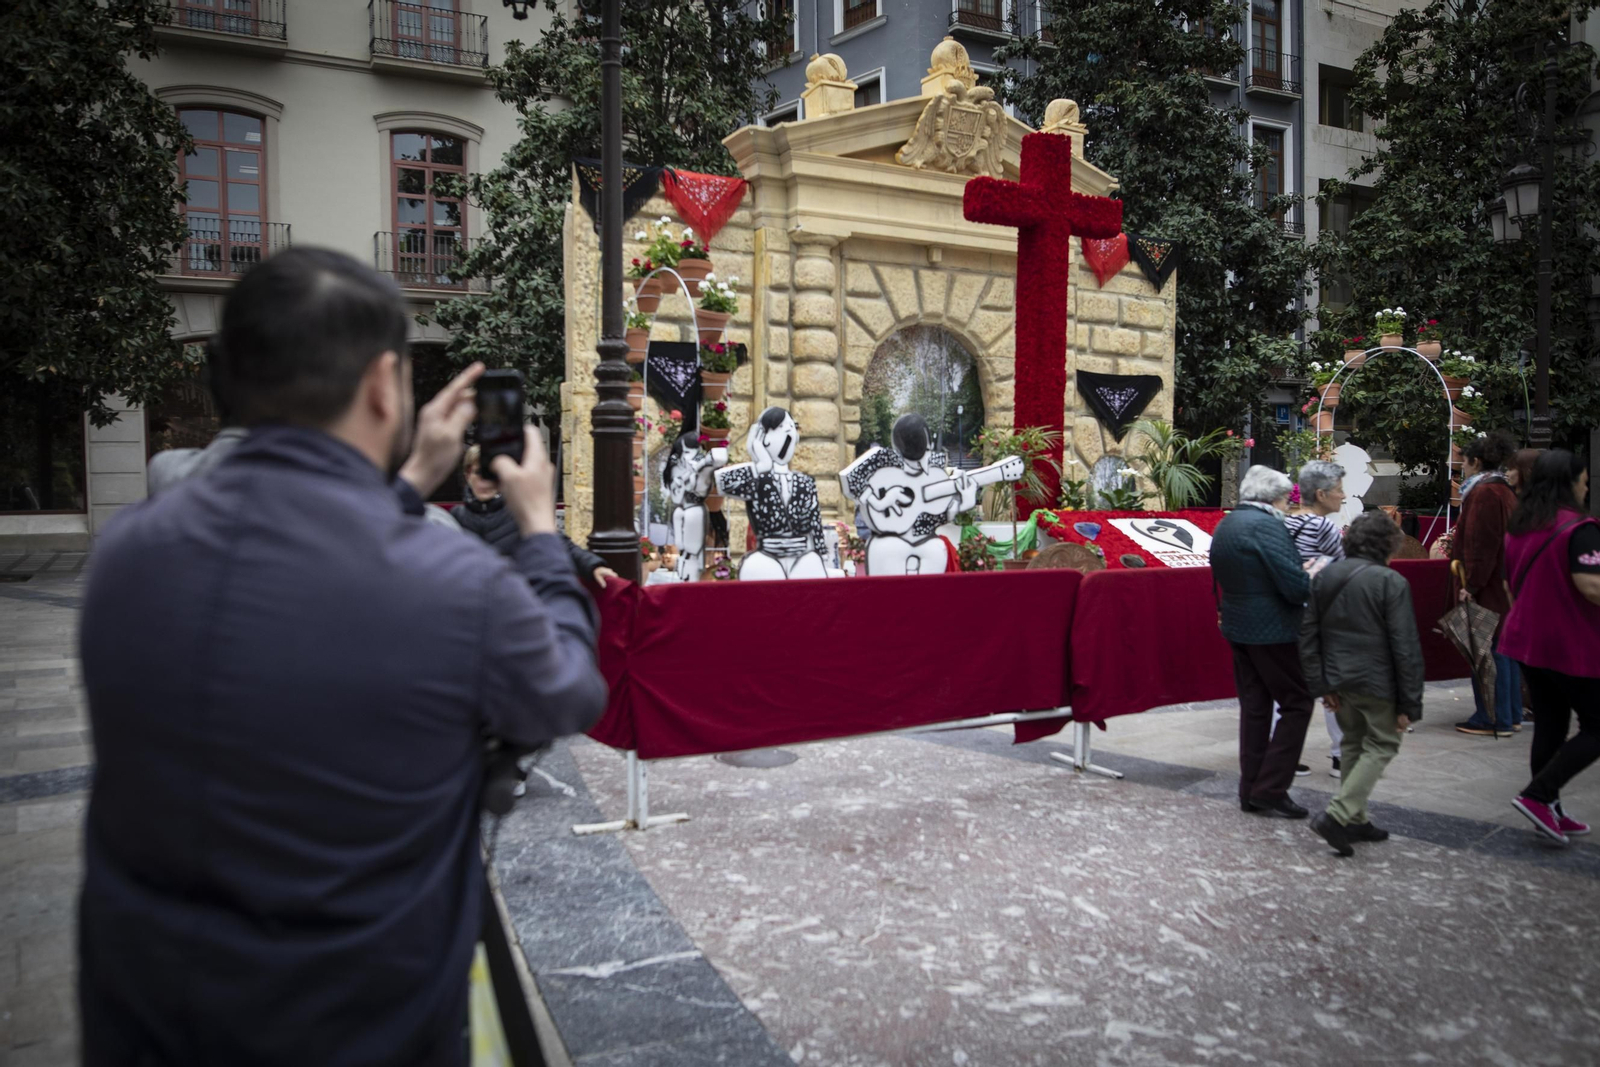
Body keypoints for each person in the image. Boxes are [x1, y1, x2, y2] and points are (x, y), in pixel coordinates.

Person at [77, 248, 608, 1066]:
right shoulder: (450, 581)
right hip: (362, 1020)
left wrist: (408, 480)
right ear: (381, 385)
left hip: (149, 1018)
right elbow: (567, 691)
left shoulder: (128, 554)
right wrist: (539, 532)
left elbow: (307, 565)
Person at [1299, 512, 1425, 856]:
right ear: (1388, 544)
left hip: (1339, 681)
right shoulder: (1390, 581)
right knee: (1383, 744)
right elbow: (1405, 644)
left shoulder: (1324, 577)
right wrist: (1409, 703)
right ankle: (1338, 815)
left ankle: (1356, 818)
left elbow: (1309, 635)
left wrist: (1322, 684)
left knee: (1353, 744)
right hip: (1376, 681)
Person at [1502, 449, 1600, 845]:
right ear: (1569, 482)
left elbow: (1512, 586)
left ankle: (1549, 808)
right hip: (1570, 643)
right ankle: (1539, 795)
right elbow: (1592, 584)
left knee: (1551, 724)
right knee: (1597, 725)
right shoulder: (1582, 528)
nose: (1587, 484)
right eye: (1583, 478)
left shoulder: (1521, 526)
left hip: (1527, 641)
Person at [1209, 465, 1314, 819]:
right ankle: (1270, 788)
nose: (1288, 506)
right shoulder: (1267, 526)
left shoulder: (1228, 523)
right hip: (1272, 629)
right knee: (1297, 702)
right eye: (1287, 499)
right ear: (1272, 499)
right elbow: (1295, 586)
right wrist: (1312, 573)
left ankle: (1250, 789)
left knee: (1256, 708)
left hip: (1238, 626)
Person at [456, 443, 617, 585]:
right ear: (467, 475)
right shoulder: (454, 519)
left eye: (491, 475)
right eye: (479, 473)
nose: (485, 482)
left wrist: (594, 566)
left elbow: (556, 543)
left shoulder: (520, 512)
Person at [1450, 430, 1522, 736]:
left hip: (1488, 585)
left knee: (1487, 651)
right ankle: (1510, 715)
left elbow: (1483, 544)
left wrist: (1473, 584)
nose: (1461, 469)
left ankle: (1493, 718)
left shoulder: (1484, 493)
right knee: (1500, 649)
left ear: (1476, 461)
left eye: (1464, 463)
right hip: (1500, 582)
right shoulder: (1502, 489)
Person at [1285, 459, 1347, 776]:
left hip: (1286, 616)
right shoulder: (1322, 527)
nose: (1344, 496)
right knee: (1331, 683)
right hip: (1320, 617)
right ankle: (1340, 755)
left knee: (1285, 687)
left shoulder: (1283, 523)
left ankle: (1283, 753)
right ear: (1321, 494)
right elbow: (1342, 571)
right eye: (1338, 490)